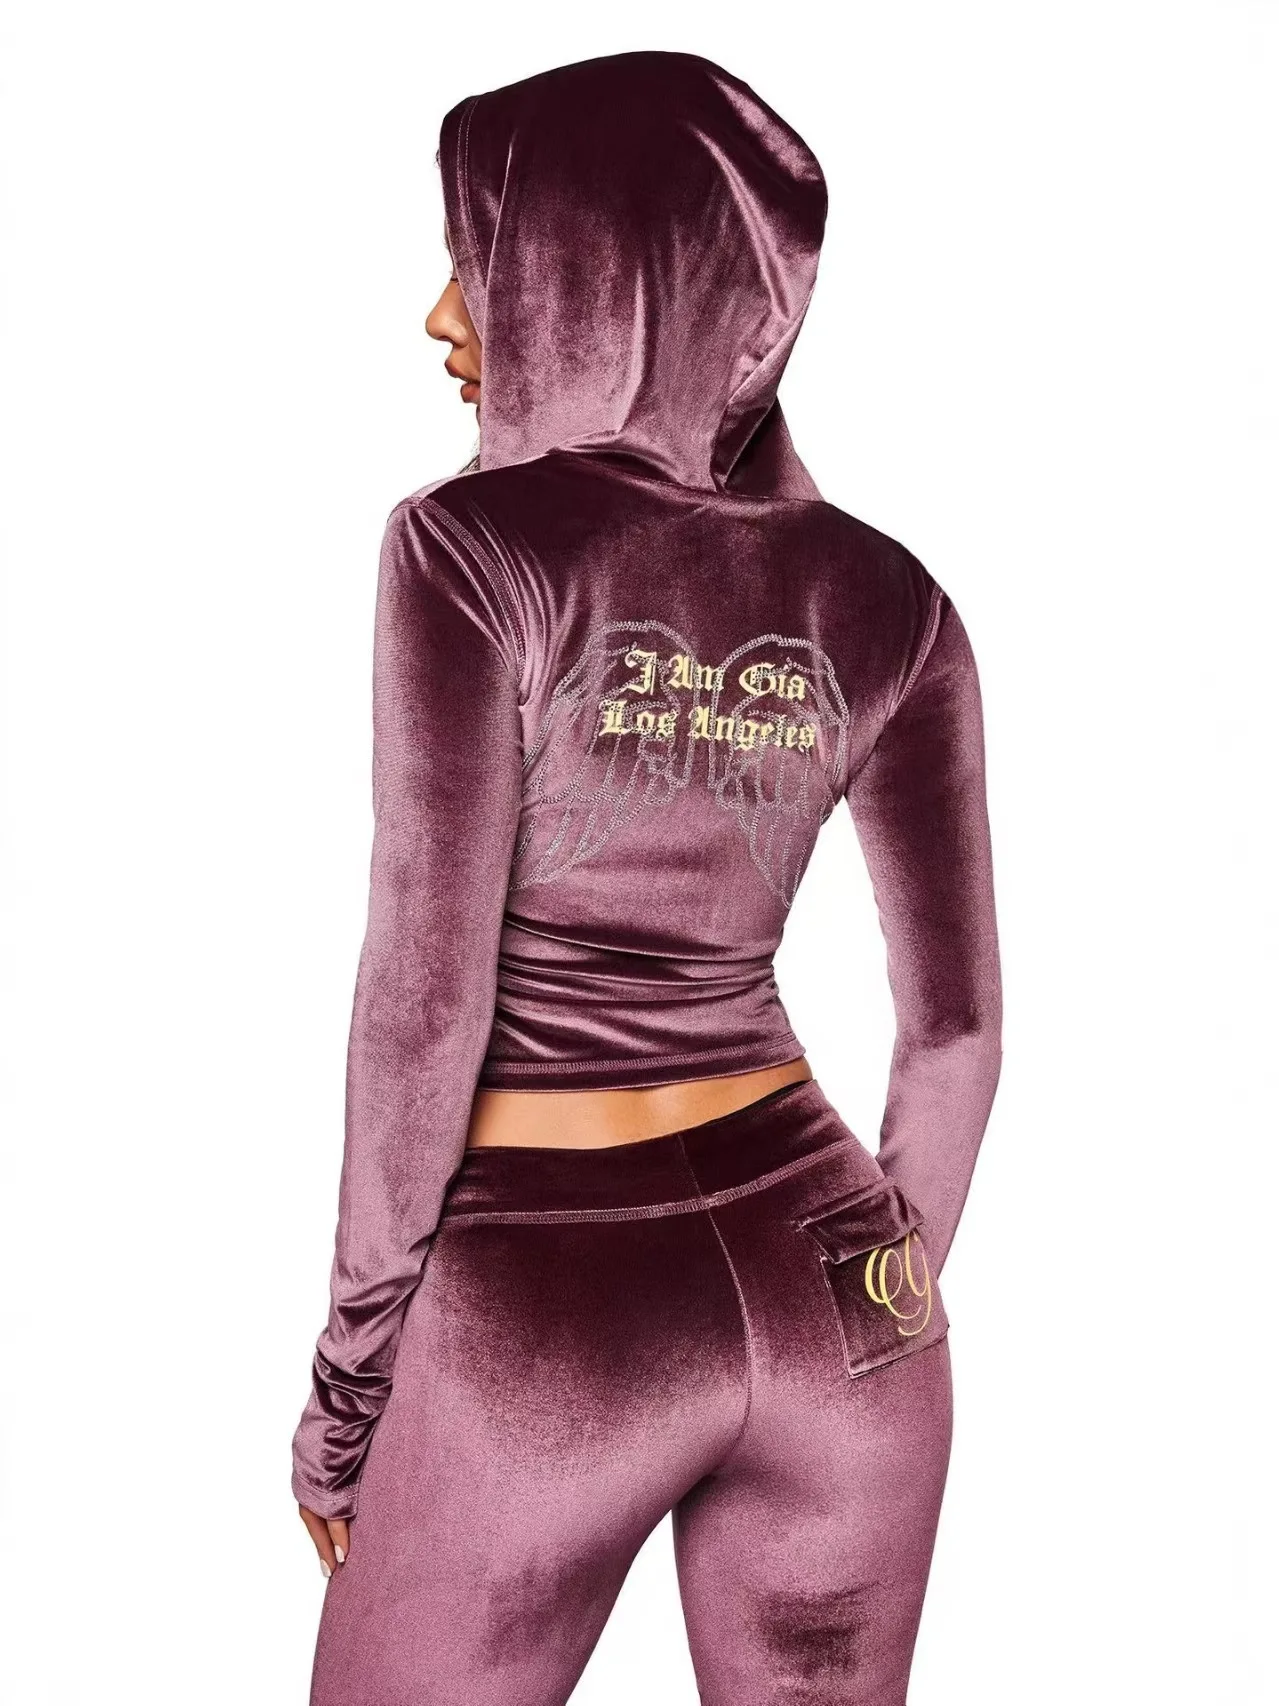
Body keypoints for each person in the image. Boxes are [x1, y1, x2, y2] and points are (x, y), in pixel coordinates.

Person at [291, 48, 1001, 1706]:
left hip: (546, 1322)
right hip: (839, 1301)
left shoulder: (470, 550)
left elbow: (425, 1003)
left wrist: (347, 1387)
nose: (441, 320)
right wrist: (875, 1281)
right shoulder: (892, 598)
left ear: (588, 273)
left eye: (480, 263)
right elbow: (956, 1029)